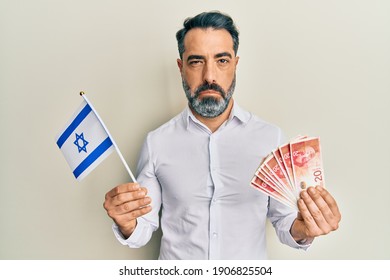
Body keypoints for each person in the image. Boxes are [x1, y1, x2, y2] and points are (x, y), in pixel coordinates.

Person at [103, 11, 341, 260]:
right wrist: (127, 222)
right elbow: (142, 229)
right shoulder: (157, 142)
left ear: (235, 64)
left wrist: (306, 228)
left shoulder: (270, 139)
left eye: (222, 60)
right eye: (196, 61)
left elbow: (285, 222)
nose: (209, 76)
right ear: (181, 67)